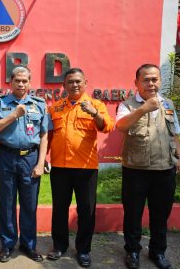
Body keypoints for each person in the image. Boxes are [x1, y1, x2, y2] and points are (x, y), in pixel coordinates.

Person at [116, 64, 180, 269]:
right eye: (146, 79)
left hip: (165, 170)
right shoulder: (127, 105)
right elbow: (120, 126)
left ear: (160, 81)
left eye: (155, 79)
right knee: (133, 214)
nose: (151, 83)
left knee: (160, 215)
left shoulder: (168, 103)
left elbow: (175, 132)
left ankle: (158, 252)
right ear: (136, 83)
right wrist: (144, 109)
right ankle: (133, 252)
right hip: (136, 170)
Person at [46, 68, 114, 267]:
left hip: (86, 168)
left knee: (86, 210)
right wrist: (43, 157)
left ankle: (83, 250)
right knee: (59, 209)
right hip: (60, 166)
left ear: (85, 82)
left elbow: (107, 126)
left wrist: (95, 114)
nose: (74, 85)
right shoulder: (56, 107)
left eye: (78, 81)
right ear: (64, 85)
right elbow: (49, 136)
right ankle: (59, 246)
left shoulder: (96, 104)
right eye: (70, 82)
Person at [0, 66, 49, 263]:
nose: (21, 84)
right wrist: (13, 115)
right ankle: (7, 244)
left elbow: (44, 134)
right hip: (6, 155)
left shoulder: (39, 104)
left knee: (30, 203)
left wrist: (40, 162)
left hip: (30, 157)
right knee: (6, 202)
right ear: (10, 82)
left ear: (30, 83)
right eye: (17, 81)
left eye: (25, 81)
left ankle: (29, 245)